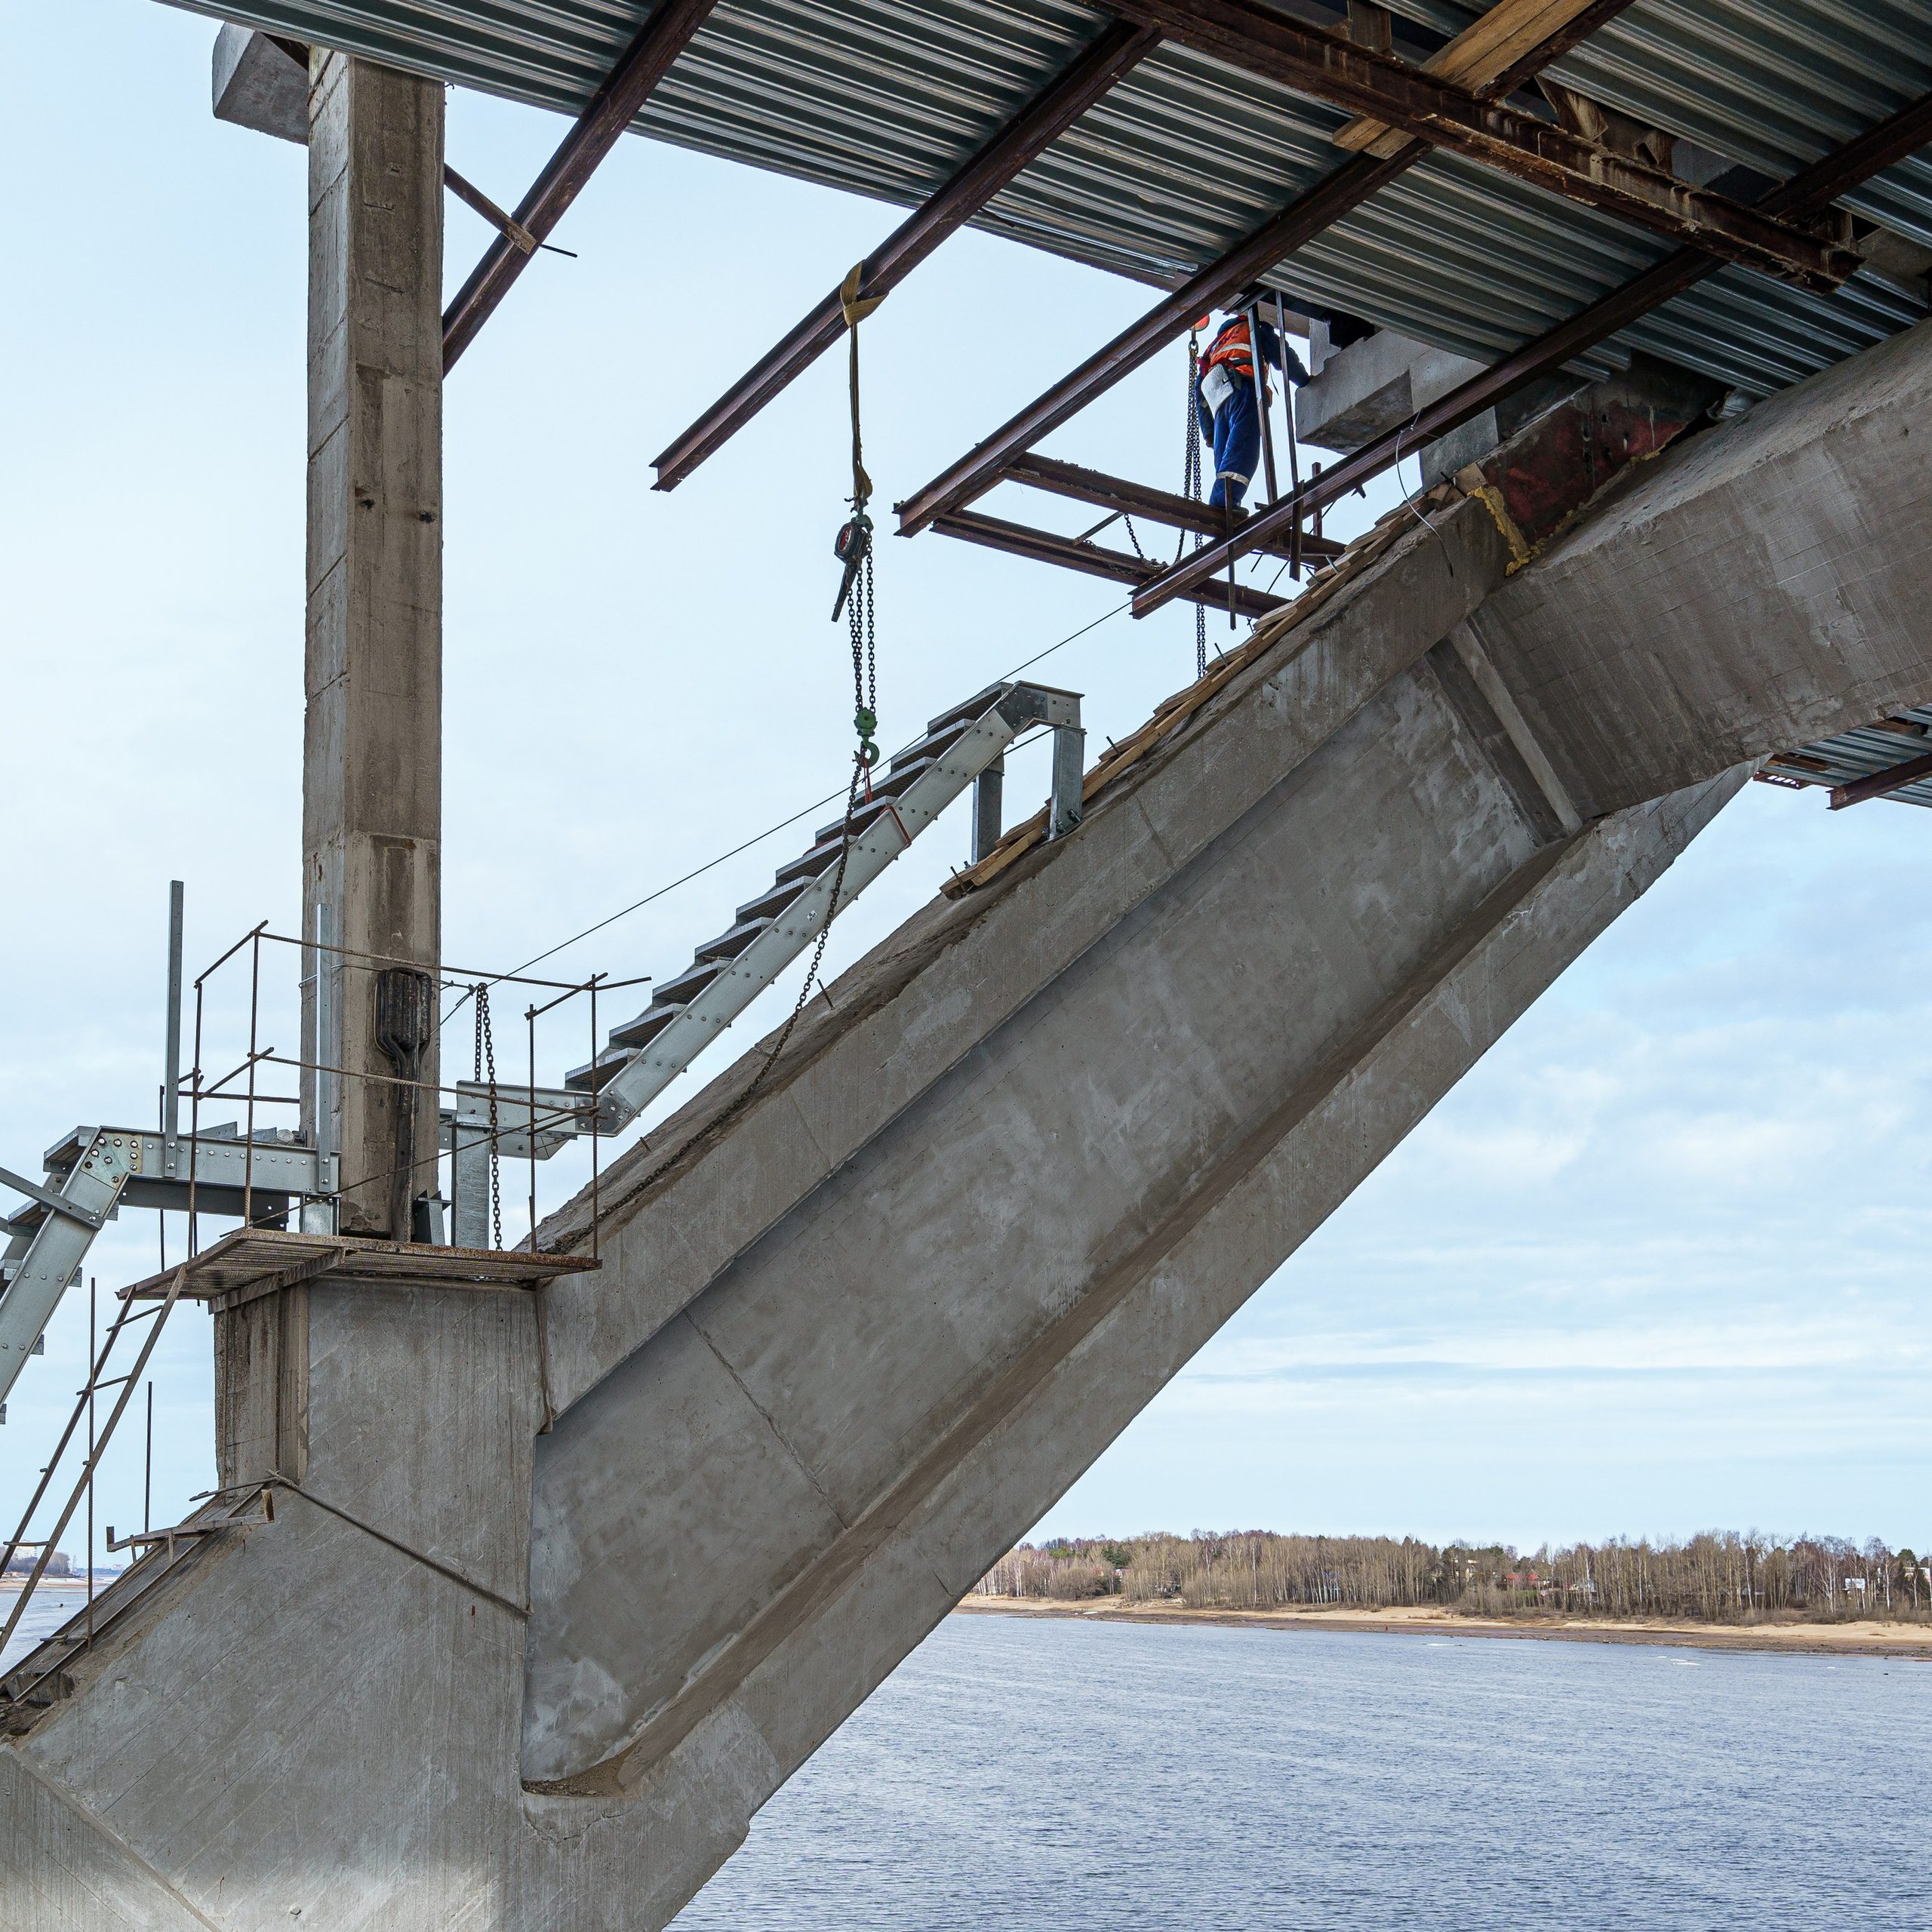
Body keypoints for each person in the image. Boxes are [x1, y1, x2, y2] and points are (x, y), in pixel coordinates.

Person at [1192, 300, 1309, 512]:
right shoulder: (1253, 327)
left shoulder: (1215, 345)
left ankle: (1226, 504)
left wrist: (1209, 430)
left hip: (1220, 402)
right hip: (1243, 390)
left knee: (1225, 458)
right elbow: (1283, 356)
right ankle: (1223, 502)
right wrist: (1305, 380)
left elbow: (1198, 388)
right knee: (1244, 449)